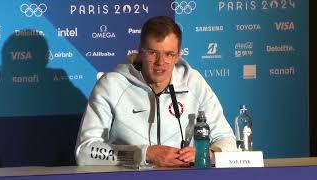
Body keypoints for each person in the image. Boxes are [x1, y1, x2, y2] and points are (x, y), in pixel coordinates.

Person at [75, 16, 236, 167]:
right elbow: (84, 152)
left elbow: (226, 140)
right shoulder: (111, 85)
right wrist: (144, 154)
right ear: (141, 52)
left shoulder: (193, 82)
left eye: (169, 54)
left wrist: (208, 154)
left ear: (178, 56)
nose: (161, 62)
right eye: (153, 53)